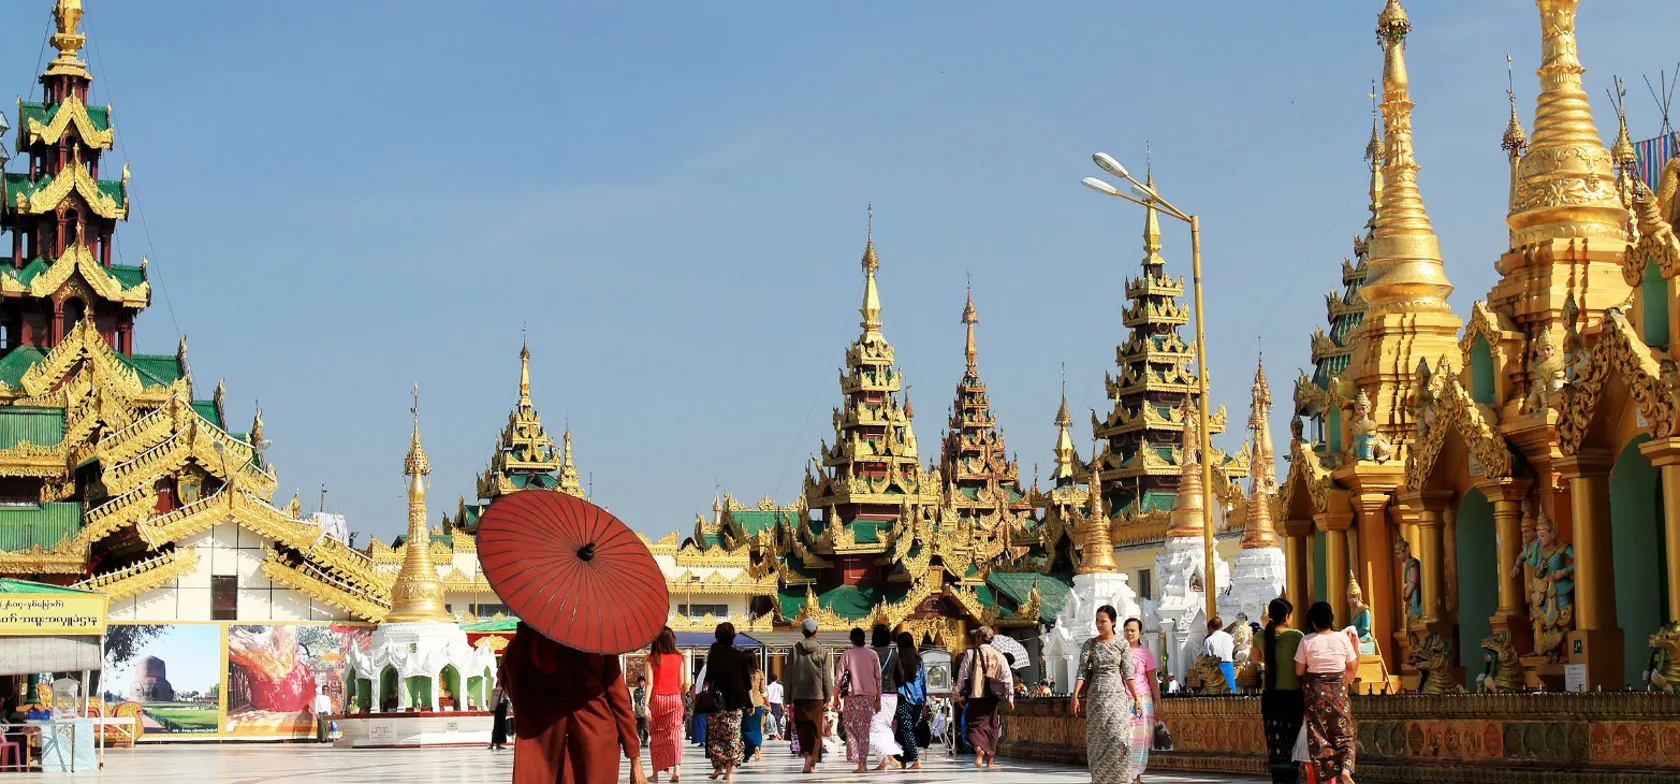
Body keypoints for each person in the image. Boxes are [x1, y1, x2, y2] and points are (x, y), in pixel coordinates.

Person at [501, 621, 645, 784]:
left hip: (542, 738)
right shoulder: (597, 640)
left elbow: (509, 683)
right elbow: (619, 699)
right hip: (595, 738)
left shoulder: (525, 641)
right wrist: (635, 758)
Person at [1071, 606, 1141, 784]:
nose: (1099, 625)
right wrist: (1075, 696)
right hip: (1096, 696)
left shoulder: (1122, 644)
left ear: (1113, 622)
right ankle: (1100, 779)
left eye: (1103, 621)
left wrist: (1137, 698)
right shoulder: (1090, 644)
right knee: (1098, 739)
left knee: (1119, 738)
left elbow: (1128, 674)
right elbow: (1082, 672)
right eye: (1097, 621)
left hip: (1117, 696)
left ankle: (1122, 779)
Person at [1295, 601, 1359, 784]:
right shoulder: (1342, 639)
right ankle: (1346, 769)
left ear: (1313, 622)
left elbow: (1299, 671)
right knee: (1344, 733)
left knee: (1320, 737)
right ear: (1331, 620)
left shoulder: (1307, 640)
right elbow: (1352, 665)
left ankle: (1326, 777)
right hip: (1338, 690)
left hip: (1316, 695)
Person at [1254, 597, 1304, 784]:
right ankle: (1292, 778)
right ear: (1287, 617)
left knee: (1275, 744)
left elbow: (1255, 659)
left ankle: (1279, 779)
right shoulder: (1296, 636)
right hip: (1293, 696)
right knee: (1292, 742)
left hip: (1271, 696)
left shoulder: (1261, 636)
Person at [953, 625, 1015, 769]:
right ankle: (990, 761)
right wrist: (1010, 698)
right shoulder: (1000, 656)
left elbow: (962, 677)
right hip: (993, 697)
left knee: (972, 725)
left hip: (976, 696)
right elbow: (1008, 678)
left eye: (976, 636)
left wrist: (958, 696)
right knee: (992, 726)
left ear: (979, 638)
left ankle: (979, 750)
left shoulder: (970, 654)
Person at [702, 622, 753, 782]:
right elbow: (747, 683)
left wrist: (705, 695)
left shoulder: (714, 656)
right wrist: (750, 703)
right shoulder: (741, 656)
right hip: (736, 701)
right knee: (732, 735)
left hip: (717, 701)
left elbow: (708, 679)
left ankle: (718, 767)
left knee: (715, 735)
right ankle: (728, 772)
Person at [784, 618, 833, 774]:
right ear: (816, 631)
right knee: (816, 729)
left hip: (799, 695)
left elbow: (788, 675)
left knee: (803, 728)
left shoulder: (794, 650)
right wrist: (828, 696)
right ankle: (811, 761)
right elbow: (826, 675)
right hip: (816, 695)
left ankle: (807, 758)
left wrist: (787, 697)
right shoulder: (822, 651)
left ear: (802, 631)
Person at [836, 626, 883, 773]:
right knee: (864, 730)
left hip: (852, 697)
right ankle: (863, 762)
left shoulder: (847, 654)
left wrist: (836, 697)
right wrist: (878, 699)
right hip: (869, 697)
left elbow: (839, 677)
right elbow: (878, 679)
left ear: (851, 639)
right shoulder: (873, 654)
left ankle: (859, 761)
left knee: (850, 727)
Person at [647, 627, 688, 783]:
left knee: (656, 735)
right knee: (675, 734)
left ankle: (655, 773)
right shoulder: (679, 658)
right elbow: (682, 684)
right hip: (675, 698)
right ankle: (676, 770)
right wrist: (683, 704)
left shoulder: (651, 657)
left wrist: (645, 705)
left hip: (657, 699)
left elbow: (649, 683)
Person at [1122, 618, 1159, 784]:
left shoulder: (1146, 654)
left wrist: (1159, 704)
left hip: (1142, 701)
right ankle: (1125, 775)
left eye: (1133, 631)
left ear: (1139, 633)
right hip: (1122, 700)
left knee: (1141, 738)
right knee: (1125, 738)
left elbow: (1153, 681)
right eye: (1127, 630)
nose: (1129, 633)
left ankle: (1136, 777)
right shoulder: (1119, 652)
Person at [865, 624, 904, 769]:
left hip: (874, 695)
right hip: (891, 695)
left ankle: (888, 756)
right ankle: (884, 760)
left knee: (873, 728)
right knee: (885, 726)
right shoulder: (894, 654)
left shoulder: (869, 653)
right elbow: (900, 676)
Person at [890, 631, 927, 770]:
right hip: (917, 699)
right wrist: (924, 702)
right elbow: (923, 681)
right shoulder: (918, 659)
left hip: (903, 698)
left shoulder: (898, 658)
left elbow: (897, 680)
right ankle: (904, 759)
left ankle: (916, 760)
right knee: (905, 729)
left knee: (905, 729)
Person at [742, 659, 767, 764]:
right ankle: (757, 745)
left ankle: (747, 754)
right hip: (758, 703)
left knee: (745, 729)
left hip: (745, 703)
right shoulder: (759, 673)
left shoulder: (742, 672)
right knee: (757, 728)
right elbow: (762, 690)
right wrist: (767, 703)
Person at [1203, 616, 1236, 690]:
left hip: (1216, 670)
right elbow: (1233, 650)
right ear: (1221, 626)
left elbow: (1207, 658)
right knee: (1231, 696)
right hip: (1229, 668)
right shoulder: (1229, 637)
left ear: (1210, 627)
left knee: (1216, 698)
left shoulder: (1209, 640)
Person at [489, 683, 510, 751]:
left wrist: (492, 709)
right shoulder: (504, 690)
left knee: (495, 727)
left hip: (496, 710)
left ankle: (492, 744)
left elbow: (492, 700)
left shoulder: (495, 690)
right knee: (501, 727)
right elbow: (505, 700)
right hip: (501, 709)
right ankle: (498, 745)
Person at [765, 674, 785, 740]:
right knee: (777, 719)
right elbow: (781, 696)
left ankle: (773, 735)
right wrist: (782, 705)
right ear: (776, 679)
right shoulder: (780, 686)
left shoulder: (767, 687)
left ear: (770, 679)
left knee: (770, 720)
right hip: (777, 703)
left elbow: (766, 696)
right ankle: (778, 734)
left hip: (770, 703)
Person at [633, 676, 651, 747]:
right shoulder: (636, 692)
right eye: (639, 682)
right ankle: (641, 740)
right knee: (639, 728)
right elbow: (636, 699)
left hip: (645, 712)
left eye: (642, 682)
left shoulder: (647, 691)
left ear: (644, 683)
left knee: (646, 727)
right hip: (638, 712)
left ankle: (645, 740)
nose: (640, 683)